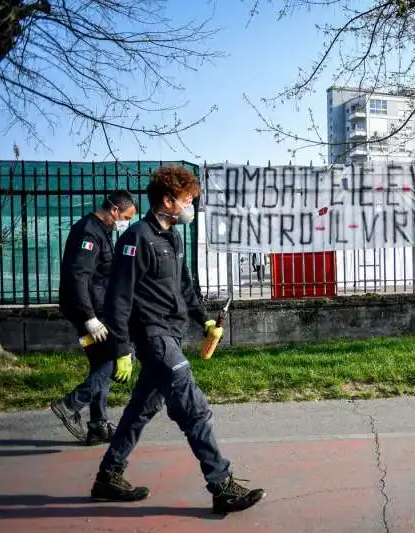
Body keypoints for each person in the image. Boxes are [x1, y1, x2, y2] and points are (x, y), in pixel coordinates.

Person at [91, 166, 265, 515]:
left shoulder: (173, 237)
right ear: (167, 201)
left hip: (171, 333)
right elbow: (119, 298)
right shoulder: (136, 238)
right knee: (194, 408)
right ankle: (221, 484)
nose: (191, 206)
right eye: (186, 200)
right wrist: (122, 349)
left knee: (140, 409)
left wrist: (204, 320)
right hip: (153, 337)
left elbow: (185, 287)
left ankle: (108, 477)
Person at [52, 191, 137, 445]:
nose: (126, 223)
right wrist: (89, 318)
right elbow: (78, 276)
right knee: (116, 356)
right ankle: (70, 404)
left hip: (94, 308)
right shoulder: (89, 233)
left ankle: (98, 426)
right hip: (88, 312)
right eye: (125, 217)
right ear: (113, 210)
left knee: (102, 361)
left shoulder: (101, 230)